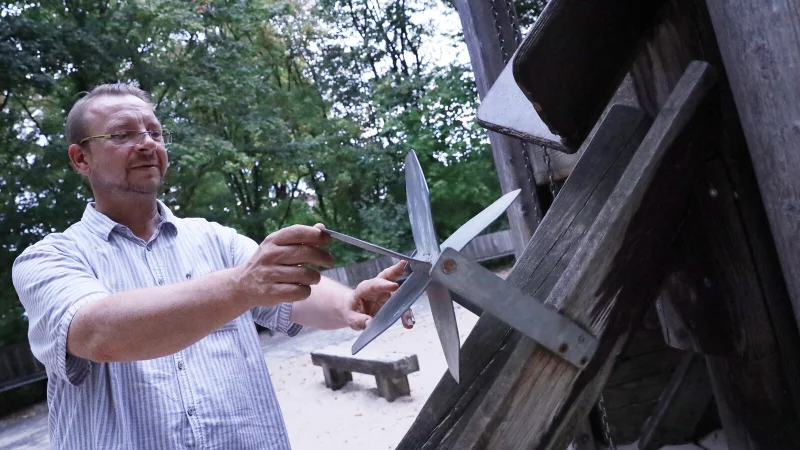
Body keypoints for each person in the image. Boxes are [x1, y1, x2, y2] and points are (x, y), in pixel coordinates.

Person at [12, 83, 414, 449]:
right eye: (122, 134)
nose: (147, 143)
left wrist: (350, 304)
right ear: (80, 158)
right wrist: (240, 287)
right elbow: (100, 334)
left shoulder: (215, 239)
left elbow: (289, 292)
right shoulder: (48, 259)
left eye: (155, 132)